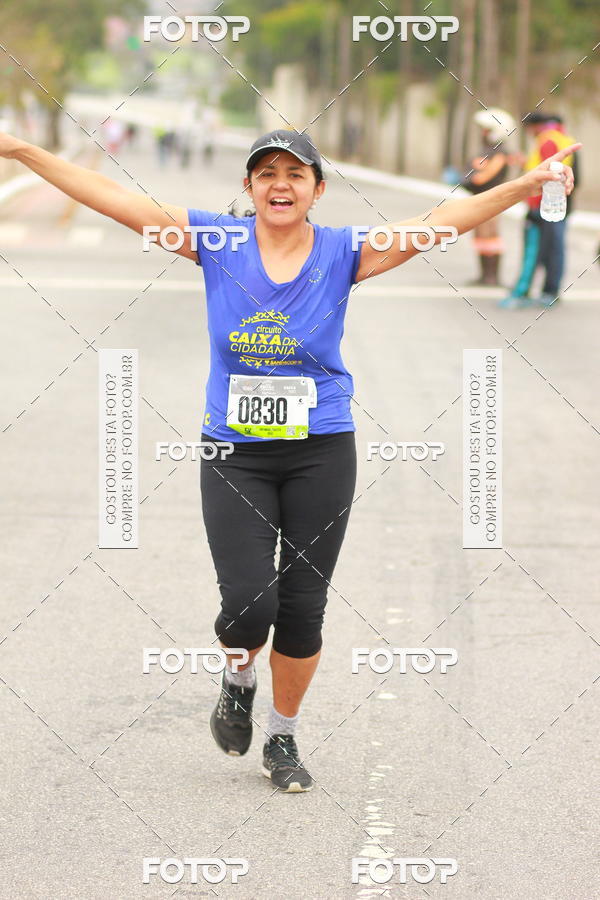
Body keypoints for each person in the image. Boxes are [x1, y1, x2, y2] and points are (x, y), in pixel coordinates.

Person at [0, 126, 579, 792]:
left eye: (295, 174)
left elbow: (440, 221)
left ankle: (282, 737)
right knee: (249, 606)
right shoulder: (217, 243)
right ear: (249, 187)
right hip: (235, 453)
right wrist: (20, 151)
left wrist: (521, 186)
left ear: (317, 190)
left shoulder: (344, 251)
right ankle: (238, 678)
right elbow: (110, 197)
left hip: (322, 450)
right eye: (266, 173)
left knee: (303, 608)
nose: (280, 183)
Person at [500, 112, 579, 309]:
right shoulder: (564, 138)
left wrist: (535, 204)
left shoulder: (547, 140)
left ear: (535, 126)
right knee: (553, 248)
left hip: (545, 204)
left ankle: (541, 292)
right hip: (558, 203)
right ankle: (549, 291)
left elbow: (547, 174)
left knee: (542, 249)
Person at [460, 108, 515, 286]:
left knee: (490, 237)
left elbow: (482, 177)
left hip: (492, 201)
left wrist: (474, 175)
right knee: (481, 237)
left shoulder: (499, 154)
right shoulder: (488, 152)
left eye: (487, 130)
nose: (483, 133)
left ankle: (492, 276)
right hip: (480, 200)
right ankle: (484, 275)